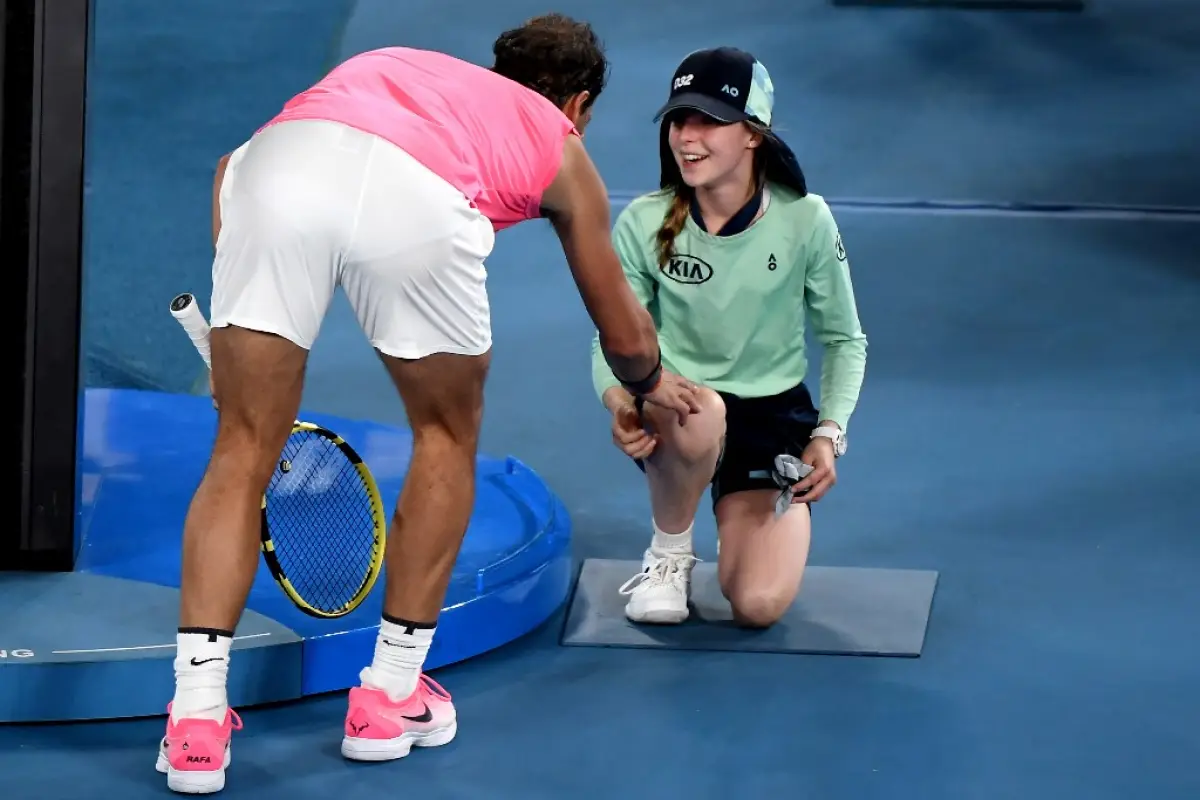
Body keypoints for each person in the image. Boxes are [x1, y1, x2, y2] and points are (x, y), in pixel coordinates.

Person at [158, 15, 702, 795]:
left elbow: (229, 169)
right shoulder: (558, 141)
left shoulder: (397, 64)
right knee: (446, 432)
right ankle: (388, 696)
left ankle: (196, 721)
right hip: (413, 200)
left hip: (276, 172)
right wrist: (650, 386)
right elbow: (618, 319)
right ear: (578, 103)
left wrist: (239, 342)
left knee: (242, 445)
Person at [590, 47, 868, 629]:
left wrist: (828, 433)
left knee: (758, 605)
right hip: (678, 410)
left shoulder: (806, 220)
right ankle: (669, 554)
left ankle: (736, 514)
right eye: (679, 119)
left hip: (770, 419)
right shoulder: (643, 222)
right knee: (701, 409)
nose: (686, 136)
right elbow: (612, 339)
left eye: (709, 121)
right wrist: (620, 400)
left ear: (753, 135)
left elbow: (844, 340)